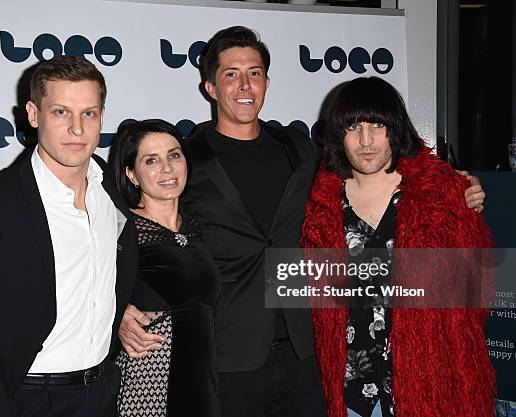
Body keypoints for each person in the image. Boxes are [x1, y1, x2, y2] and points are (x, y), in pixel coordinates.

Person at [118, 27, 486, 417]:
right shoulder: (185, 159)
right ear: (210, 87)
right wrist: (121, 304)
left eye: (254, 73)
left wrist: (452, 184)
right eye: (231, 74)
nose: (245, 84)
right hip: (228, 354)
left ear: (267, 82)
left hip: (308, 351)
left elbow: (371, 165)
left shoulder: (299, 149)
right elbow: (139, 233)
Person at [0, 56, 138, 417]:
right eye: (60, 112)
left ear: (102, 116)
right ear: (33, 114)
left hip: (101, 396)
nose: (76, 129)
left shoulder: (110, 192)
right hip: (24, 399)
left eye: (88, 113)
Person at [300, 76, 496, 417]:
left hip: (430, 385)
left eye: (377, 124)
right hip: (353, 391)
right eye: (352, 127)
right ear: (338, 135)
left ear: (395, 129)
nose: (365, 139)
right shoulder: (320, 207)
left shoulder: (442, 195)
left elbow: (479, 290)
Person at [108, 120, 221, 417]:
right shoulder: (119, 228)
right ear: (131, 174)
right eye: (151, 160)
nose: (167, 168)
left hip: (204, 376)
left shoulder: (198, 226)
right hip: (148, 378)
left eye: (174, 155)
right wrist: (116, 313)